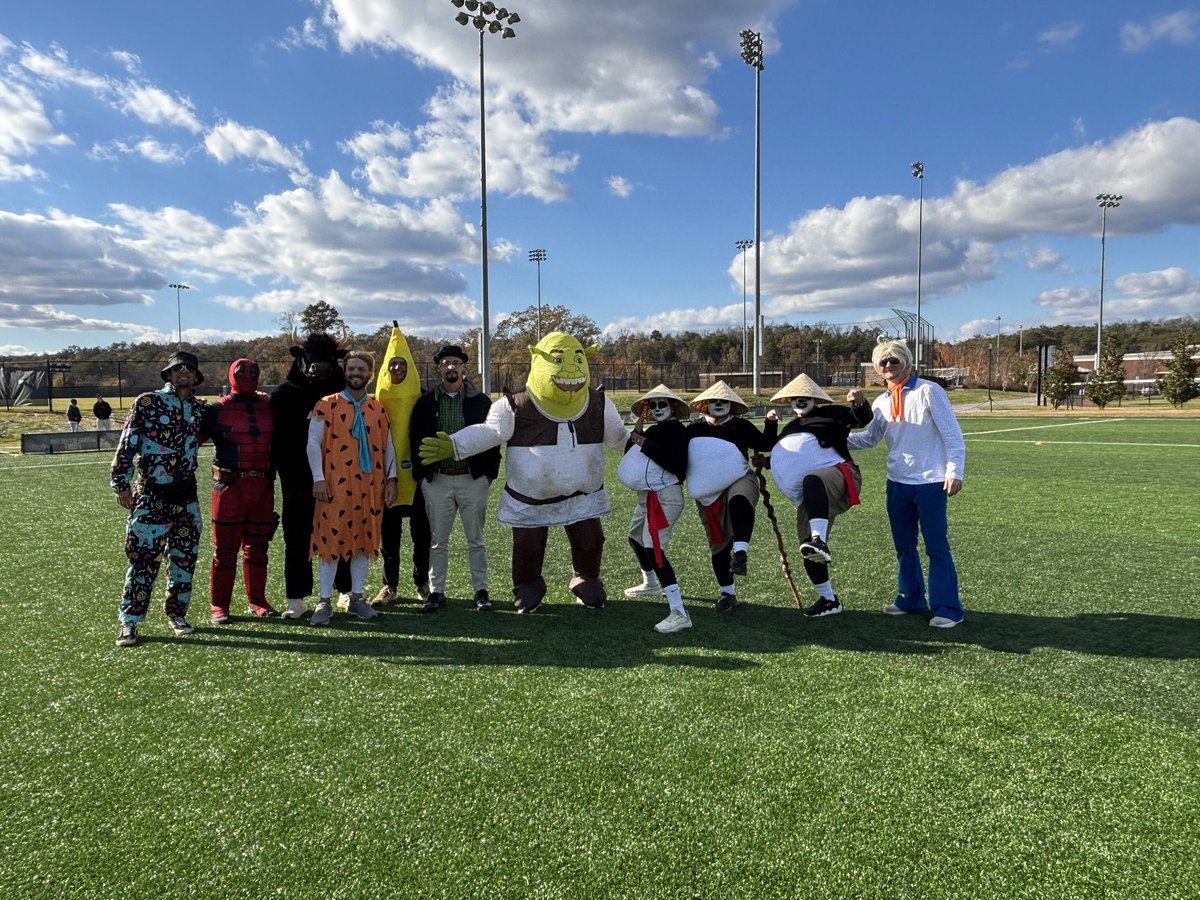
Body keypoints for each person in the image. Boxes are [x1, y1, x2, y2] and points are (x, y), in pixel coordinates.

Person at [421, 331, 627, 613]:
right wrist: (455, 445)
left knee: (591, 541)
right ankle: (528, 584)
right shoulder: (515, 404)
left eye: (578, 359)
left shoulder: (599, 403)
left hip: (584, 496)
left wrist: (644, 444)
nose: (570, 369)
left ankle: (586, 578)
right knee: (528, 546)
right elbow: (491, 432)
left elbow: (618, 438)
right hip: (530, 498)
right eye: (558, 360)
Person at [848, 340, 966, 628]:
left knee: (936, 546)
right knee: (904, 545)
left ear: (906, 362)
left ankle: (948, 608)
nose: (888, 365)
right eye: (883, 362)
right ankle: (910, 598)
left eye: (894, 360)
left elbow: (952, 434)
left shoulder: (929, 391)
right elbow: (870, 439)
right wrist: (830, 439)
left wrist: (955, 471)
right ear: (877, 368)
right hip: (897, 482)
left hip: (931, 482)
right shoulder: (881, 401)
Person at [111, 351, 208, 647]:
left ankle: (177, 614)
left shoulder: (199, 408)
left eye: (189, 369)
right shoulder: (147, 402)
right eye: (177, 368)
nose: (183, 372)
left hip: (186, 498)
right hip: (152, 496)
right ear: (168, 374)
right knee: (142, 561)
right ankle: (129, 621)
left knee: (184, 560)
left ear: (196, 376)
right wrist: (121, 483)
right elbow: (127, 443)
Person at [764, 373, 873, 617]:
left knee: (812, 481)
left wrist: (859, 404)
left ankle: (819, 539)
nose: (800, 400)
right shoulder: (790, 427)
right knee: (808, 550)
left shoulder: (833, 413)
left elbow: (861, 419)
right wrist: (768, 460)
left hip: (839, 476)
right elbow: (795, 456)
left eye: (805, 396)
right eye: (796, 397)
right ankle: (829, 600)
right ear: (790, 401)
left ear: (815, 398)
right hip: (810, 493)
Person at [307, 350, 397, 626]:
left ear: (370, 374)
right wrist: (318, 478)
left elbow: (388, 446)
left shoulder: (378, 409)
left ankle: (357, 598)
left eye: (362, 369)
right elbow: (313, 443)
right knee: (329, 541)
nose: (356, 373)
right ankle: (324, 601)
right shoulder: (326, 405)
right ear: (344, 372)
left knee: (363, 540)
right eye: (352, 369)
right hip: (334, 485)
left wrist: (392, 478)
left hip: (369, 486)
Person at [411, 344, 501, 613]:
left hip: (471, 480)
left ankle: (481, 591)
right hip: (437, 481)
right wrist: (422, 477)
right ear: (439, 368)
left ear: (463, 368)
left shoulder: (480, 401)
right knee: (438, 541)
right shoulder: (426, 402)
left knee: (476, 540)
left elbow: (493, 438)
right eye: (445, 363)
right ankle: (436, 591)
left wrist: (488, 475)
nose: (451, 367)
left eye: (456, 363)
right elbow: (414, 439)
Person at [270, 331, 352, 619]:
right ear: (301, 359)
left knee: (340, 532)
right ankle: (296, 598)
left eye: (326, 359)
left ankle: (345, 590)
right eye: (312, 358)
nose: (319, 365)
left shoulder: (345, 397)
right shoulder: (283, 396)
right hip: (296, 477)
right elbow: (276, 442)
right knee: (296, 536)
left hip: (338, 475)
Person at [685, 381, 777, 610]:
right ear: (706, 404)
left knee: (739, 501)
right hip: (707, 491)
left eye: (723, 401)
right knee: (718, 546)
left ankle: (741, 553)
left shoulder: (741, 426)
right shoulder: (693, 429)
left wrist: (771, 422)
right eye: (714, 401)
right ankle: (727, 594)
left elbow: (765, 443)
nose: (719, 404)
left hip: (738, 478)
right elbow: (676, 453)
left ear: (731, 405)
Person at [202, 358, 279, 624]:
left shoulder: (270, 406)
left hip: (263, 488)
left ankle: (257, 601)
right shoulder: (216, 410)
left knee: (258, 549)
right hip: (229, 489)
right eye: (242, 372)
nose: (248, 376)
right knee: (224, 551)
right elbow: (188, 442)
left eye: (253, 372)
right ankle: (219, 605)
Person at [368, 324, 432, 610]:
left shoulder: (424, 398)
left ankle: (423, 583)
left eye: (402, 363)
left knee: (422, 534)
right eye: (392, 363)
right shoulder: (375, 402)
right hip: (386, 478)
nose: (397, 368)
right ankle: (389, 585)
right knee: (389, 536)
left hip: (418, 478)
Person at [619, 385, 692, 633]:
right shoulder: (653, 431)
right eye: (653, 405)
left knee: (654, 548)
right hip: (647, 495)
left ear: (673, 407)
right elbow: (632, 454)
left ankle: (679, 612)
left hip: (665, 497)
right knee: (635, 538)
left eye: (663, 404)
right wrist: (638, 433)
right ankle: (651, 583)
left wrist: (643, 441)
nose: (658, 409)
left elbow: (675, 464)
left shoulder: (677, 431)